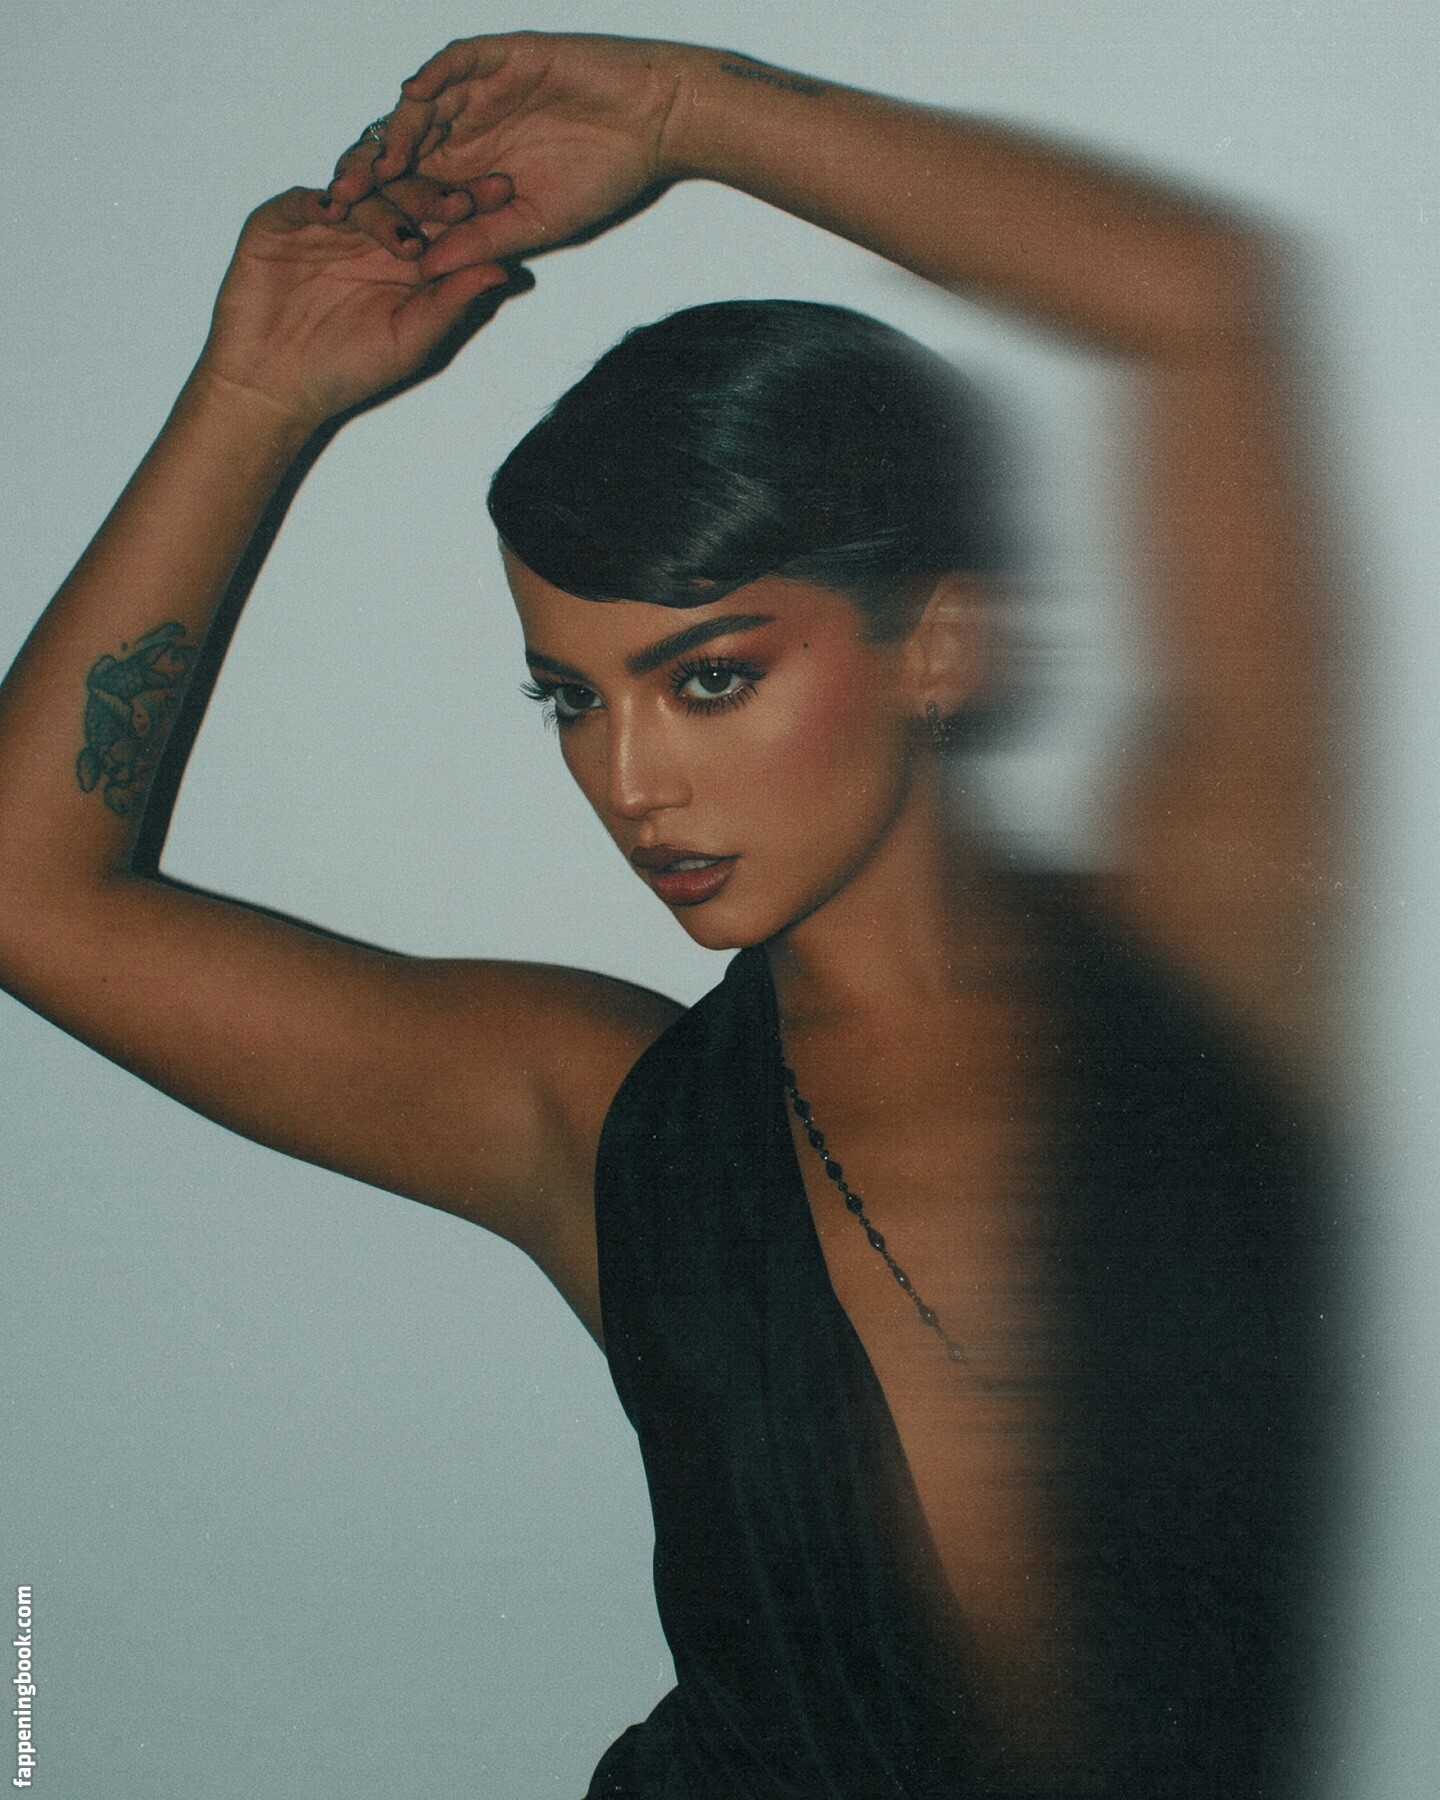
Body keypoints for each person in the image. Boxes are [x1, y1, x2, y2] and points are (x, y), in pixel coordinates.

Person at [0, 30, 1333, 1799]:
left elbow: (1209, 304)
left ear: (936, 642)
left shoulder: (1201, 959)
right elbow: (31, 895)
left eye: (708, 678)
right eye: (569, 697)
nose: (626, 781)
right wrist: (253, 398)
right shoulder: (607, 1118)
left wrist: (685, 112)